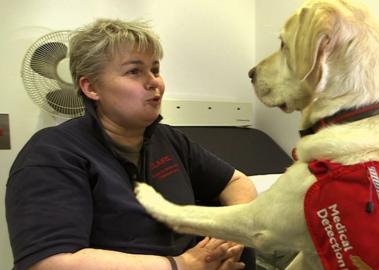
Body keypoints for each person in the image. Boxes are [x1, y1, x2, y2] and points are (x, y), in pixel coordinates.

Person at [5, 18, 257, 270]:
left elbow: (236, 182)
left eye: (155, 70)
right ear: (91, 87)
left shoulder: (170, 140)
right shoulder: (52, 153)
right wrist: (180, 265)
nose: (154, 82)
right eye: (134, 71)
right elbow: (49, 262)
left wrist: (229, 232)